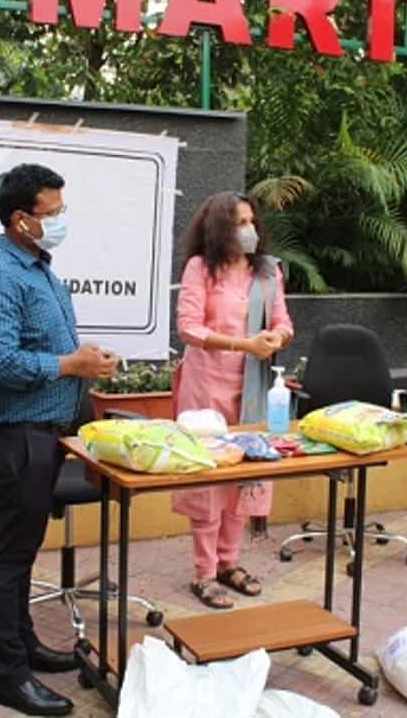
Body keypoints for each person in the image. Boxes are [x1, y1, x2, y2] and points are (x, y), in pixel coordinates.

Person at [0, 163, 117, 717]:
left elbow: (45, 351)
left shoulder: (39, 269)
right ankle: (8, 677)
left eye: (61, 210)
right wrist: (70, 364)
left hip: (46, 433)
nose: (60, 221)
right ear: (19, 219)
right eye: (51, 214)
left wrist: (84, 360)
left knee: (23, 552)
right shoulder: (0, 277)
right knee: (7, 556)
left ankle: (24, 645)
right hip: (17, 436)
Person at [171, 192, 293, 609]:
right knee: (209, 480)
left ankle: (230, 563)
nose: (249, 230)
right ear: (220, 228)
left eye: (252, 221)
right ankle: (204, 573)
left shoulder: (268, 271)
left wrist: (276, 337)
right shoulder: (200, 268)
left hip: (253, 387)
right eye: (240, 222)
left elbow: (283, 321)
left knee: (245, 475)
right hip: (206, 387)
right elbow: (188, 328)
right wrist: (243, 343)